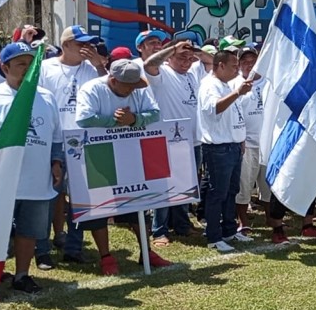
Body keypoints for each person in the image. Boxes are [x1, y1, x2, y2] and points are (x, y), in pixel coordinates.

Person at [0, 43, 63, 294]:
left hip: (36, 182)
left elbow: (56, 137)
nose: (28, 69)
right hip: (1, 182)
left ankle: (22, 275)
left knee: (29, 232)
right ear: (4, 67)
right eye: (21, 65)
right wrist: (5, 152)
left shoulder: (46, 97)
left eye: (32, 64)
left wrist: (56, 162)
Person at [74, 59, 169, 274]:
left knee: (139, 199)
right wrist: (115, 121)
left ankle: (146, 251)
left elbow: (155, 113)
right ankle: (106, 257)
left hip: (131, 152)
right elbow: (84, 119)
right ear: (113, 80)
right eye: (128, 85)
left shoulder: (139, 89)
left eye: (136, 85)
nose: (133, 90)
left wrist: (134, 119)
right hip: (98, 154)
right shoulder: (91, 89)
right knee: (100, 205)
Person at [38, 25, 105, 266]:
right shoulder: (46, 68)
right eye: (81, 44)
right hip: (53, 140)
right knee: (48, 198)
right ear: (66, 45)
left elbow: (109, 89)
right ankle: (42, 249)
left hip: (84, 142)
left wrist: (99, 64)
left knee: (81, 199)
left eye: (90, 44)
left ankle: (74, 248)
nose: (87, 49)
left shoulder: (92, 68)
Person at [144, 40, 203, 244]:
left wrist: (192, 50)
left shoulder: (192, 75)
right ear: (169, 57)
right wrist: (172, 49)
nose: (186, 61)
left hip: (192, 140)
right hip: (168, 139)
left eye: (190, 58)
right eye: (181, 57)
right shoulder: (163, 74)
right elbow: (149, 65)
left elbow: (212, 61)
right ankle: (159, 230)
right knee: (164, 185)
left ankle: (182, 225)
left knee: (185, 185)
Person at [199, 50, 252, 252]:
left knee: (231, 191)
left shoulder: (226, 84)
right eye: (233, 66)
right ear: (220, 65)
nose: (236, 69)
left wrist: (240, 138)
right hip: (217, 147)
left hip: (232, 144)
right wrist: (238, 93)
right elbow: (214, 109)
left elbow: (234, 114)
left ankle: (229, 230)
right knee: (217, 193)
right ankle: (213, 235)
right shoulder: (209, 85)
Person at [232, 45, 271, 235]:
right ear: (238, 64)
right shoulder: (236, 84)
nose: (249, 65)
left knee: (268, 184)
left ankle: (272, 218)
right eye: (244, 62)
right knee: (244, 184)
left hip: (267, 141)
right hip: (246, 142)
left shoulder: (267, 82)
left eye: (252, 61)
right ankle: (243, 219)